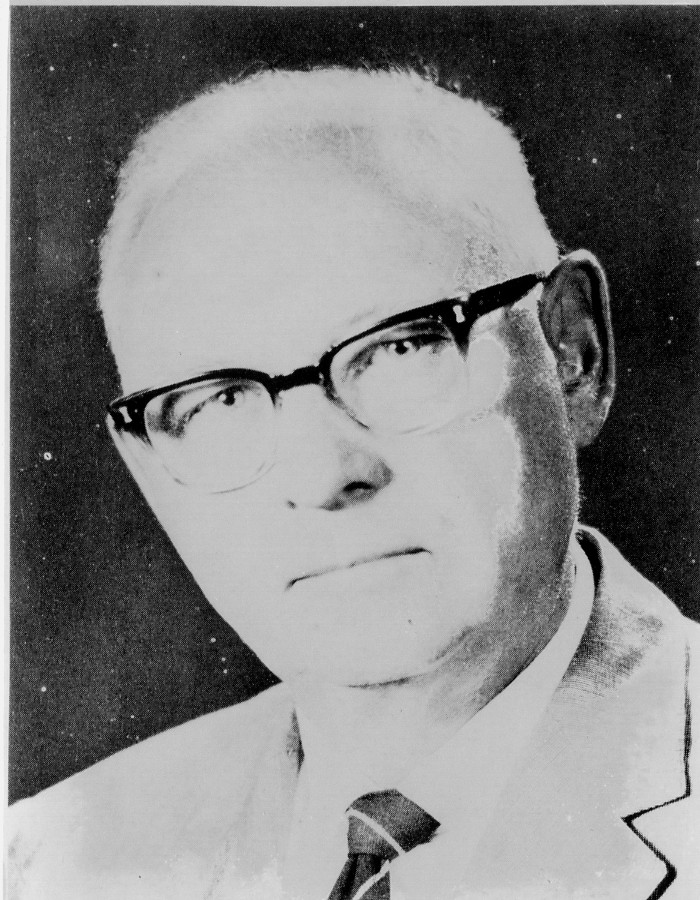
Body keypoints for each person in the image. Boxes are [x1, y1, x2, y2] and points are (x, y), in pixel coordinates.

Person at [7, 66, 699, 900]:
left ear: (572, 351)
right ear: (150, 469)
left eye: (401, 347)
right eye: (218, 401)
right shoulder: (48, 861)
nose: (325, 475)